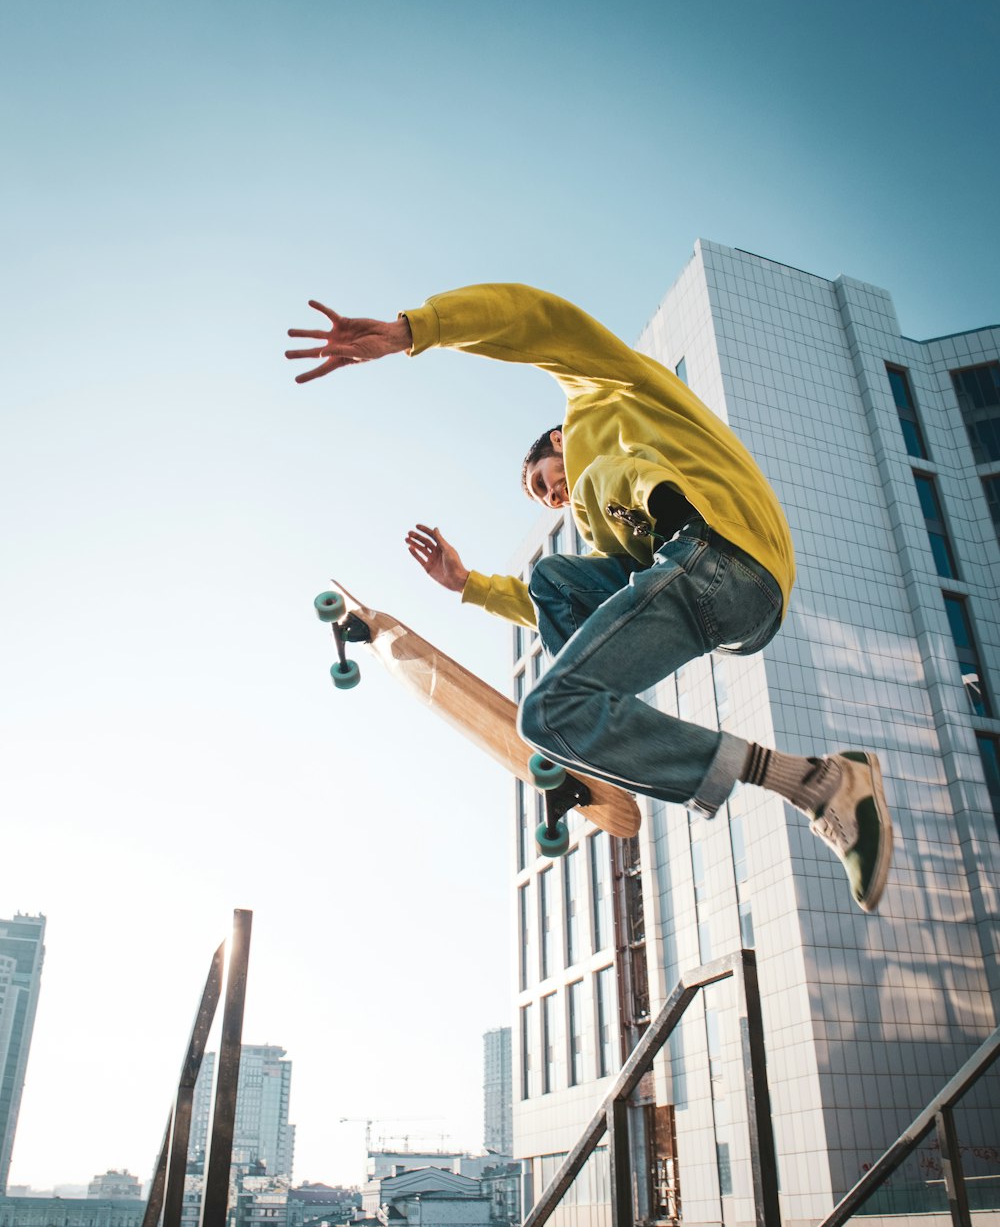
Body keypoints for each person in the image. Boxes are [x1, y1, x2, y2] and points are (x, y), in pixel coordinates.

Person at [286, 284, 893, 912]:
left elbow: (538, 319)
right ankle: (595, 716)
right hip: (711, 595)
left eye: (548, 481)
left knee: (546, 712)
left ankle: (577, 716)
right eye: (547, 499)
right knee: (554, 579)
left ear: (557, 439)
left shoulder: (605, 388)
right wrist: (469, 586)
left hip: (725, 549)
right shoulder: (615, 528)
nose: (555, 498)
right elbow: (584, 604)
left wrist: (413, 330)